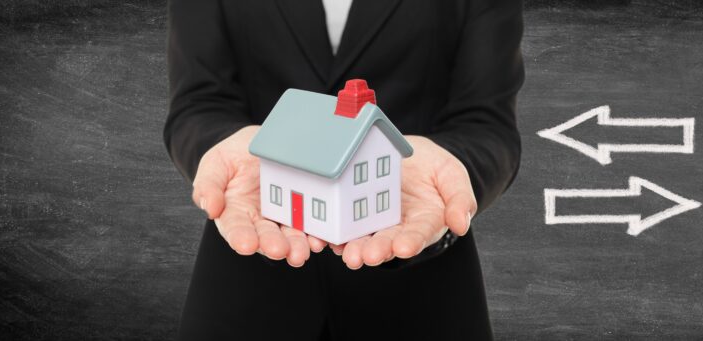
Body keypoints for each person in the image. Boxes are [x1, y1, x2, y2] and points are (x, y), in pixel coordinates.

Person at [163, 0, 524, 339]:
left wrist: (452, 166)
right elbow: (199, 102)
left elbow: (487, 122)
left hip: (423, 295)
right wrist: (222, 146)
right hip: (244, 289)